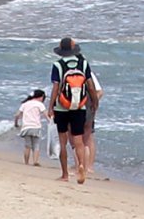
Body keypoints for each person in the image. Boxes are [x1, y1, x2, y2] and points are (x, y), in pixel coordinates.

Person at [49, 36, 99, 183]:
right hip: (79, 106)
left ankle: (64, 175)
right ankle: (81, 166)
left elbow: (56, 87)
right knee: (79, 140)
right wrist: (94, 102)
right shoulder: (83, 64)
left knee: (63, 141)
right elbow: (90, 85)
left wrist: (50, 106)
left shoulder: (58, 65)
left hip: (62, 107)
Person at [16, 90, 48, 166]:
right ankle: (35, 161)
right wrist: (51, 122)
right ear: (41, 97)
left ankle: (26, 162)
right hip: (36, 127)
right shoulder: (40, 104)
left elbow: (17, 115)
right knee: (36, 145)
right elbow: (46, 115)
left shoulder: (25, 104)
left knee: (27, 145)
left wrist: (16, 123)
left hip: (26, 127)